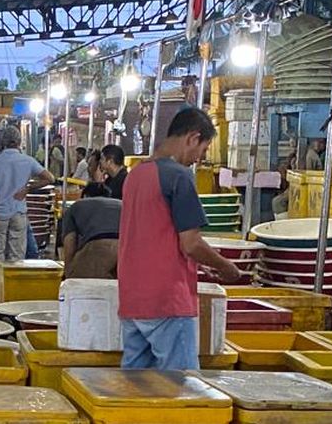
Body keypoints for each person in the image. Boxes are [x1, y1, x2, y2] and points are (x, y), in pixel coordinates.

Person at [117, 106, 241, 370]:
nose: (199, 158)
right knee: (181, 388)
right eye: (203, 149)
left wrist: (200, 262)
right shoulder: (179, 176)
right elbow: (191, 243)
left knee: (133, 390)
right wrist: (226, 267)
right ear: (193, 138)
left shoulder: (135, 175)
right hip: (167, 299)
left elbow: (153, 232)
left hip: (132, 298)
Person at [0, 125, 54, 300]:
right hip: (19, 213)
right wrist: (28, 188)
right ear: (19, 142)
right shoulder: (28, 161)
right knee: (16, 255)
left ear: (3, 142)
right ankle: (13, 296)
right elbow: (50, 178)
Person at [62, 182, 121, 279]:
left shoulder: (77, 205)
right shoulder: (121, 203)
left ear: (85, 195)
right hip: (129, 247)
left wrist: (68, 272)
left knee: (82, 284)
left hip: (100, 245)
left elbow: (69, 241)